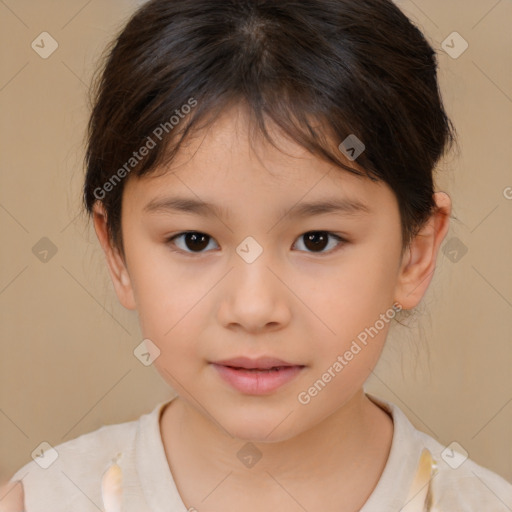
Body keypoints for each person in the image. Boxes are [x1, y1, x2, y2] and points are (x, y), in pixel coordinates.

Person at [3, 0, 512, 510]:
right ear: (117, 253)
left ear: (414, 254)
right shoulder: (47, 499)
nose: (253, 309)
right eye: (194, 240)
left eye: (317, 240)